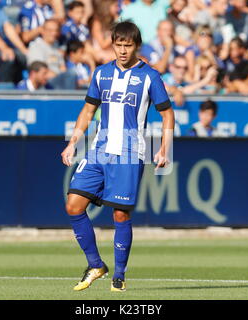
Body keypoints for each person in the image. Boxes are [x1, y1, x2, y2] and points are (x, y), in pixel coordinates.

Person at [61, 21, 174, 292]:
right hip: (99, 149)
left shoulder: (150, 76)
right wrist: (73, 142)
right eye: (118, 45)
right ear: (112, 44)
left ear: (137, 46)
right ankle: (96, 264)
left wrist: (163, 148)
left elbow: (167, 113)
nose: (123, 51)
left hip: (128, 152)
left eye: (128, 45)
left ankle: (120, 274)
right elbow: (88, 110)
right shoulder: (101, 74)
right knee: (73, 205)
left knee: (120, 215)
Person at [27, 19, 78, 89]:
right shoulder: (36, 46)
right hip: (45, 84)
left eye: (56, 30)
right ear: (43, 31)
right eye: (50, 30)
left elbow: (62, 67)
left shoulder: (56, 46)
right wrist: (61, 77)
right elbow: (40, 72)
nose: (54, 33)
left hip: (58, 81)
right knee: (71, 74)